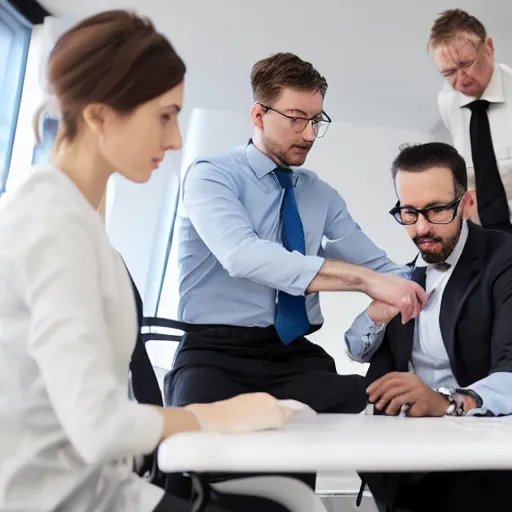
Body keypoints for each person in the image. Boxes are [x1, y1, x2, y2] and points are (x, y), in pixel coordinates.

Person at [0, 10, 308, 512]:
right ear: (100, 115)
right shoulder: (51, 227)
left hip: (104, 488)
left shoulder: (76, 221)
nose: (176, 140)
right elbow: (99, 426)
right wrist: (220, 416)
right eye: (164, 116)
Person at [345, 142, 512, 512]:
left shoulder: (504, 261)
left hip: (482, 463)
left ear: (466, 205)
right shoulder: (409, 272)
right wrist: (377, 311)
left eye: (436, 210)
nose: (421, 228)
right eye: (409, 212)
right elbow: (356, 346)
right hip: (406, 460)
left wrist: (445, 402)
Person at [430, 8, 512, 233]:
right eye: (448, 73)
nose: (459, 79)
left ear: (489, 48)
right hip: (487, 234)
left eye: (466, 64)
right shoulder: (448, 101)